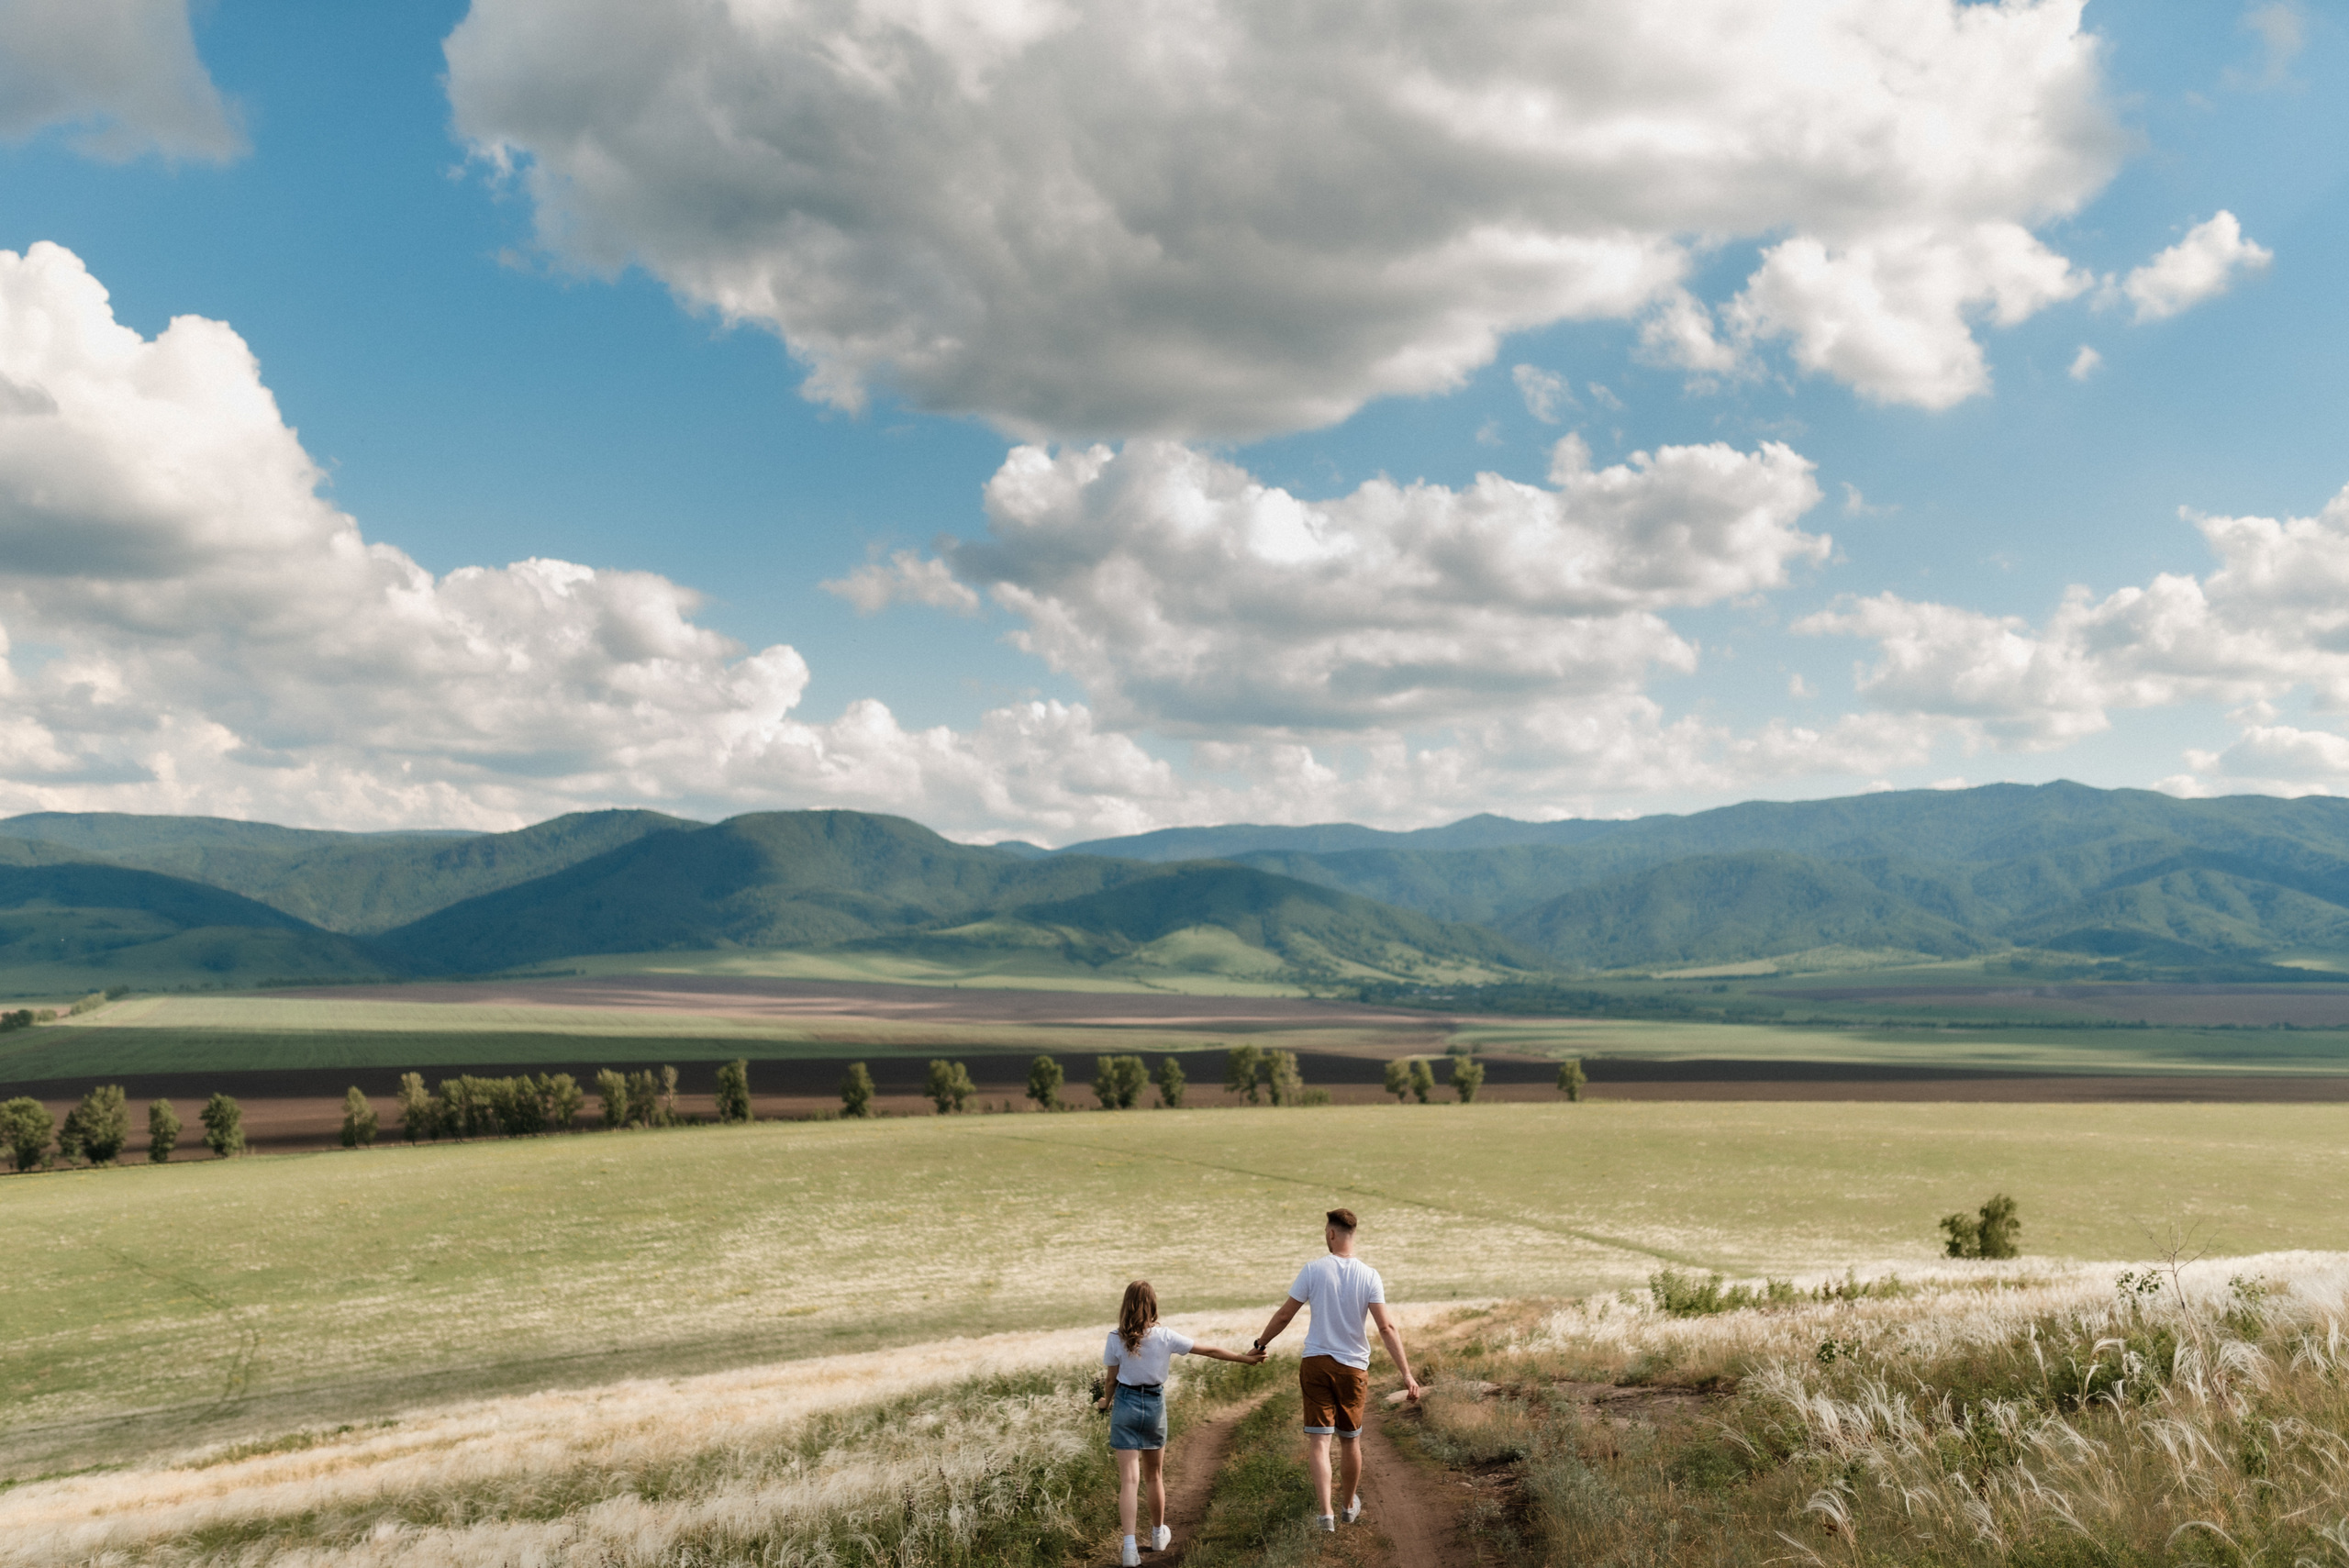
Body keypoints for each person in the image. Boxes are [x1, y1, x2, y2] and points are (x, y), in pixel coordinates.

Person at [1249, 1207, 1422, 1532]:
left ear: (1331, 1233)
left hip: (1315, 1364)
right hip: (1353, 1369)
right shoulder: (1369, 1275)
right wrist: (1407, 1374)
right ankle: (1346, 1506)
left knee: (1319, 1443)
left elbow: (1285, 1315)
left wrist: (1260, 1344)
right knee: (1350, 1441)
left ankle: (1325, 1513)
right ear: (1352, 1234)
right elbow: (1386, 1327)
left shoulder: (1313, 1270)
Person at [1097, 1279, 1264, 1565]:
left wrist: (1105, 1402)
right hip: (1153, 1405)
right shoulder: (1165, 1337)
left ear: (1126, 1305)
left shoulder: (1115, 1337)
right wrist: (1244, 1359)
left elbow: (1111, 1380)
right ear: (1153, 1305)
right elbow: (1209, 1351)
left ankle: (1128, 1550)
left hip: (1124, 1404)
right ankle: (1158, 1535)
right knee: (1154, 1476)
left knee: (1129, 1480)